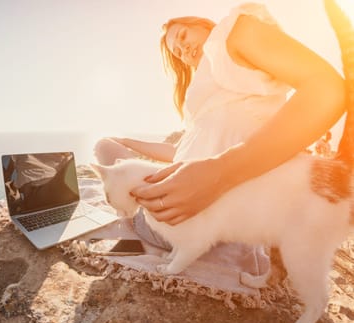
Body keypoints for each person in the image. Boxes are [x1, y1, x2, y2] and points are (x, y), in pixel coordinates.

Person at [94, 2, 346, 234]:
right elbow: (183, 152)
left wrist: (220, 173)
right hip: (184, 188)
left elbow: (327, 89)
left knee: (109, 162)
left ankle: (138, 220)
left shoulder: (233, 33)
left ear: (202, 25)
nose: (184, 49)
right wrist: (128, 142)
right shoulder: (210, 88)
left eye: (183, 37)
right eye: (179, 52)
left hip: (214, 203)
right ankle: (135, 216)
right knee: (105, 144)